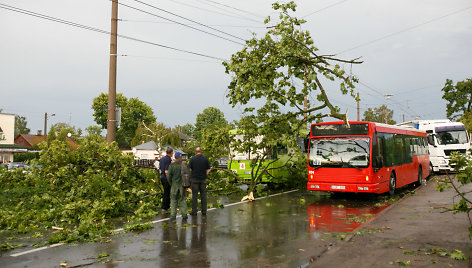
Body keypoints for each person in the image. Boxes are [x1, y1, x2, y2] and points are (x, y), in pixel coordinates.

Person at [188, 147, 211, 216]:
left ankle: (194, 211)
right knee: (203, 195)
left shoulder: (192, 159)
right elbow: (208, 169)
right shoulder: (205, 159)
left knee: (194, 196)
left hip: (194, 179)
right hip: (203, 180)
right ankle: (204, 211)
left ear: (195, 152)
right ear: (201, 152)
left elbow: (189, 168)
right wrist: (205, 174)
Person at [167, 152, 188, 220]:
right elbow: (187, 175)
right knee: (182, 199)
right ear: (180, 157)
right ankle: (184, 214)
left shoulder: (171, 165)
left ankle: (173, 214)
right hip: (182, 185)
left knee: (173, 200)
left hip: (174, 185)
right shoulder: (184, 165)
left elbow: (168, 176)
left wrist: (171, 183)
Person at [159, 147, 173, 213]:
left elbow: (160, 168)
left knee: (166, 191)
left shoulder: (162, 159)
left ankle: (167, 206)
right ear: (171, 153)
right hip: (166, 177)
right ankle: (164, 207)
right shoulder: (168, 159)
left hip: (162, 177)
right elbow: (166, 171)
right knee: (167, 193)